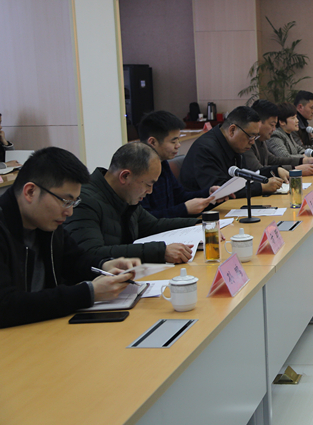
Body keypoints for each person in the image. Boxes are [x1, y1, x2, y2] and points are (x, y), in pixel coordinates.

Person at [0, 147, 141, 328]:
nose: (69, 212)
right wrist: (88, 293)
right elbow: (5, 305)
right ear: (30, 192)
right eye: (66, 201)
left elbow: (75, 260)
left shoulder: (46, 224)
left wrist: (104, 265)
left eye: (74, 202)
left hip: (44, 327)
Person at [65, 142, 199, 263]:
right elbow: (91, 253)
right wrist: (160, 252)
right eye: (148, 185)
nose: (150, 191)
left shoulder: (125, 196)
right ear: (125, 176)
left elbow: (153, 225)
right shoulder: (84, 201)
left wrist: (199, 223)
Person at [181, 106, 287, 198]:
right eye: (250, 136)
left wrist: (275, 170)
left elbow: (248, 173)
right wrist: (262, 187)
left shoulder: (234, 144)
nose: (252, 142)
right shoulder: (205, 149)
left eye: (255, 137)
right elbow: (219, 189)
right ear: (232, 130)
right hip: (204, 211)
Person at [138, 111, 226, 219]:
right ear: (152, 142)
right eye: (173, 142)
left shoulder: (163, 163)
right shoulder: (138, 172)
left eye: (178, 140)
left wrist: (209, 193)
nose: (178, 145)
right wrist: (184, 209)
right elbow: (146, 219)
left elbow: (180, 197)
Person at [245, 100, 313, 176]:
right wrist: (295, 169)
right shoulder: (247, 142)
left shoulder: (261, 139)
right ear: (259, 123)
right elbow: (259, 170)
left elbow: (274, 160)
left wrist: (302, 160)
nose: (274, 129)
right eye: (272, 125)